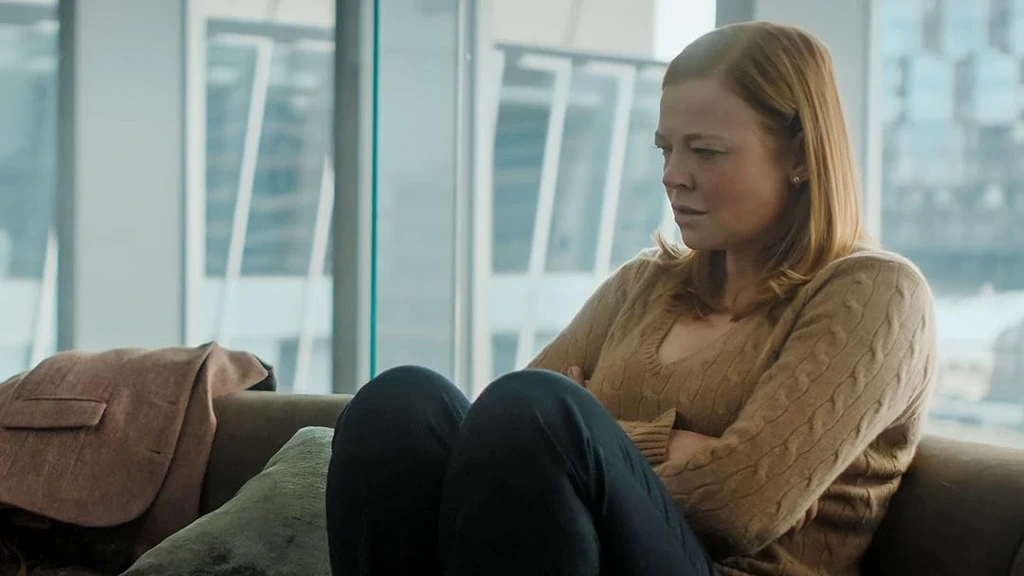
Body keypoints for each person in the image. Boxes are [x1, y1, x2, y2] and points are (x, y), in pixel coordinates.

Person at [325, 21, 936, 576]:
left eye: (705, 151)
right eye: (666, 149)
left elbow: (741, 505)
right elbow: (498, 442)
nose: (673, 174)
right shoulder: (646, 284)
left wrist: (591, 438)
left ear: (799, 156)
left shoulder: (875, 293)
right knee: (399, 405)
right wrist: (660, 444)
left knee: (540, 412)